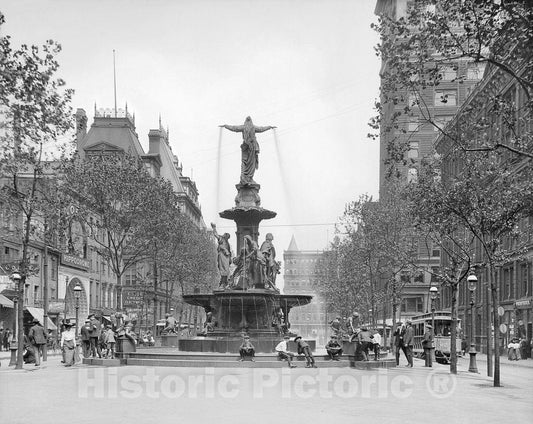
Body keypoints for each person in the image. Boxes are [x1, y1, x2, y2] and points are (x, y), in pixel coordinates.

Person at [220, 116, 276, 185]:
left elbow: (234, 128)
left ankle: (247, 178)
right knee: (249, 163)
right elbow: (261, 129)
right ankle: (246, 178)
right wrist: (269, 127)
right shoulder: (253, 127)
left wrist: (226, 126)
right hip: (250, 147)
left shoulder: (244, 127)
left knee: (246, 162)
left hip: (248, 147)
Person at [211, 223, 232, 288]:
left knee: (226, 269)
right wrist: (214, 228)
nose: (225, 236)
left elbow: (229, 251)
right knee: (223, 269)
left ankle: (224, 282)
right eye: (226, 235)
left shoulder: (227, 243)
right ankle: (223, 282)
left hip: (226, 257)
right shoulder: (221, 239)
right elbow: (215, 234)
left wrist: (230, 258)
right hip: (222, 256)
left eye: (227, 236)